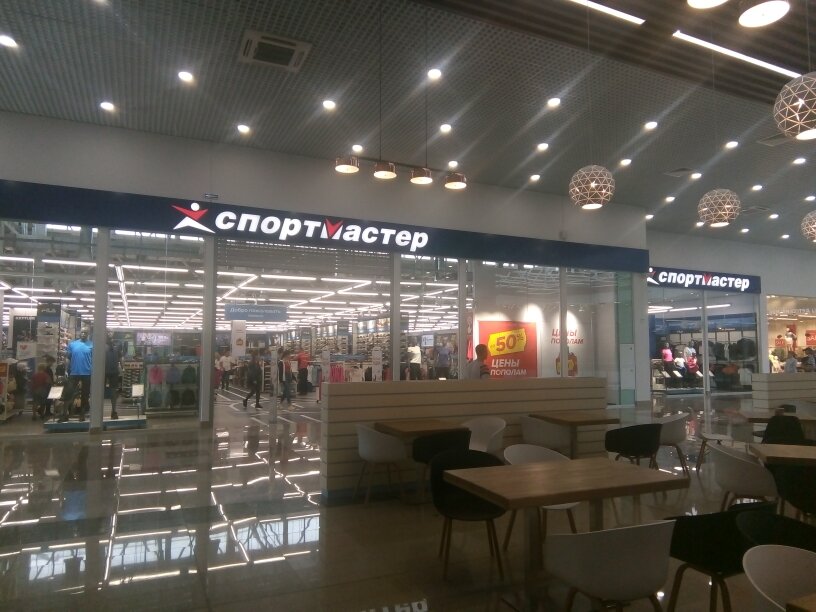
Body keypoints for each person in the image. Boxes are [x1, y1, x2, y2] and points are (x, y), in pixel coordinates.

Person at [66, 329, 92, 421]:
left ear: (88, 334)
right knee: (69, 393)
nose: (83, 334)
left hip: (87, 373)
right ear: (79, 333)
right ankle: (66, 413)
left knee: (85, 394)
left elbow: (94, 359)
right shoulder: (72, 344)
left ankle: (82, 413)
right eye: (82, 332)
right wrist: (66, 370)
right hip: (74, 372)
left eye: (85, 332)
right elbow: (68, 358)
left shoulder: (92, 345)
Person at [104, 334, 122, 419]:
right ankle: (97, 411)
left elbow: (120, 358)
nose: (111, 339)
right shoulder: (102, 347)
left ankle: (114, 411)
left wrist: (123, 367)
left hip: (114, 372)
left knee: (113, 392)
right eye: (109, 337)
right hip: (103, 372)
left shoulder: (116, 347)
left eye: (112, 337)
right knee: (100, 392)